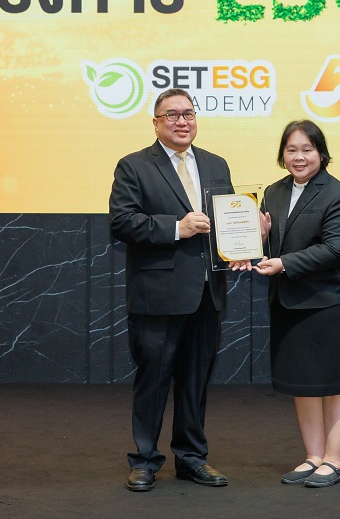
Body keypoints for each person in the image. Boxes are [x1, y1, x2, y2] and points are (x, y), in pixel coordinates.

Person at [109, 88, 233, 492]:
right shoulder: (133, 166)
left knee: (195, 381)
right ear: (156, 122)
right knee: (154, 380)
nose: (182, 121)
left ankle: (192, 458)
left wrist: (250, 237)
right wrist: (177, 228)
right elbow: (122, 222)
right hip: (158, 295)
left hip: (207, 293)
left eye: (189, 114)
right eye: (172, 115)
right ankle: (145, 461)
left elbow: (227, 223)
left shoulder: (216, 164)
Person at [253, 119, 340, 488]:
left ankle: (336, 459)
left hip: (328, 303)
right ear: (282, 155)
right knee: (303, 384)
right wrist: (258, 239)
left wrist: (284, 263)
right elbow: (271, 246)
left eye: (307, 149)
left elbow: (339, 248)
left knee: (337, 385)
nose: (299, 157)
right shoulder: (273, 191)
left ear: (321, 153)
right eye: (291, 150)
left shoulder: (338, 193)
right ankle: (314, 456)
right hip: (288, 304)